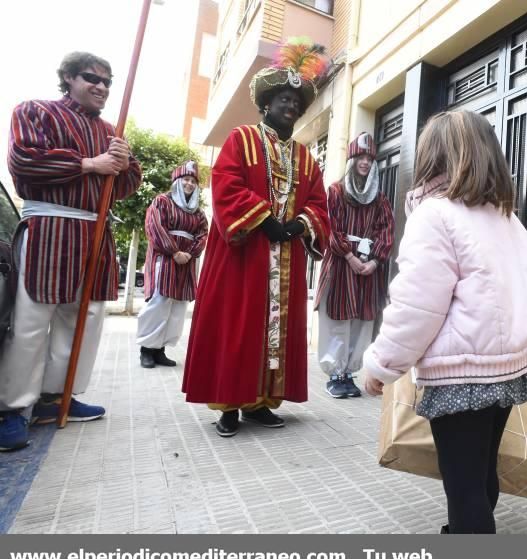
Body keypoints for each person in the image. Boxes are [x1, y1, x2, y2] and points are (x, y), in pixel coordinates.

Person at [362, 110, 527, 534]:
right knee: (481, 475)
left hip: (461, 374)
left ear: (432, 156)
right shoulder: (506, 216)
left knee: (462, 487)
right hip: (508, 368)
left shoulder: (434, 215)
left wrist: (381, 366)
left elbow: (416, 305)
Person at [181, 39, 330, 438]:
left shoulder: (305, 156)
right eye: (284, 99)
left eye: (296, 103)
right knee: (239, 324)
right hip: (244, 253)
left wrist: (297, 227)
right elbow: (226, 185)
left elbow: (318, 200)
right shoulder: (240, 138)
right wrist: (264, 220)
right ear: (266, 104)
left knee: (275, 327)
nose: (291, 107)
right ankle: (229, 404)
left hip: (284, 257)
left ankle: (262, 401)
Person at [0, 52, 142, 451]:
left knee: (85, 317)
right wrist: (91, 164)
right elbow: (25, 161)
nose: (101, 87)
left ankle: (56, 397)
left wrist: (124, 163)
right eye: (90, 78)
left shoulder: (111, 132)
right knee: (31, 319)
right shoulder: (34, 111)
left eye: (108, 81)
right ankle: (12, 407)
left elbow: (126, 185)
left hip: (95, 233)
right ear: (67, 77)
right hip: (49, 228)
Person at [315, 132, 394, 398]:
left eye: (370, 158)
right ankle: (335, 374)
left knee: (362, 319)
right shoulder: (336, 192)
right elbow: (329, 227)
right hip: (340, 265)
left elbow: (386, 231)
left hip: (367, 267)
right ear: (351, 160)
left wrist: (375, 261)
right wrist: (348, 255)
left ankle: (350, 372)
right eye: (360, 157)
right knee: (338, 317)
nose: (365, 163)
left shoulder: (380, 199)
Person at [137, 160, 208, 369]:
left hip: (186, 261)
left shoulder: (198, 212)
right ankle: (146, 350)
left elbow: (203, 233)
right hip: (164, 258)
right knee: (159, 302)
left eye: (193, 181)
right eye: (186, 179)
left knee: (178, 308)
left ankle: (160, 350)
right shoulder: (162, 201)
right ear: (177, 181)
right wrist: (174, 251)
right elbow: (154, 227)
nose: (189, 184)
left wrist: (190, 253)